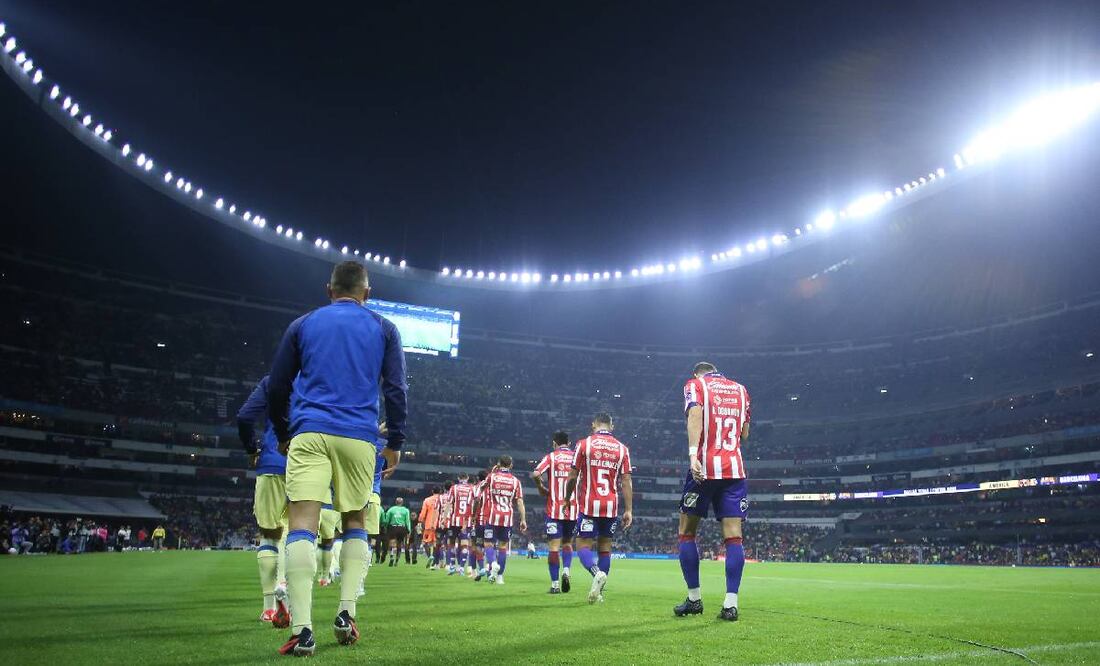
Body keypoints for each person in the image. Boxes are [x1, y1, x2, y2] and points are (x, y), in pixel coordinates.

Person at [266, 260, 407, 657]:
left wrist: (282, 433)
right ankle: (346, 613)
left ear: (329, 290)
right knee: (355, 520)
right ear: (368, 293)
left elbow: (277, 386)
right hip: (360, 437)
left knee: (302, 525)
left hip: (309, 430)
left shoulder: (303, 324)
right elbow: (396, 389)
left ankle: (302, 630)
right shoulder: (384, 328)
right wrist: (394, 439)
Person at [673, 362, 751, 622]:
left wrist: (693, 454)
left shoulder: (695, 385)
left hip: (704, 468)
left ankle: (694, 599)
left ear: (697, 373)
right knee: (733, 536)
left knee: (686, 531)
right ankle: (731, 604)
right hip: (734, 469)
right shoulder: (741, 390)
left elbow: (695, 413)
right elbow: (744, 433)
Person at [237, 376, 291, 626]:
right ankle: (285, 585)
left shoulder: (272, 381)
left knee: (270, 536)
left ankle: (269, 608)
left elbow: (245, 417)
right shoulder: (319, 377)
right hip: (308, 464)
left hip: (271, 461)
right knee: (298, 534)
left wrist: (251, 450)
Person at [565, 413, 633, 604]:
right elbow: (626, 480)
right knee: (605, 548)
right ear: (612, 426)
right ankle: (600, 592)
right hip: (610, 506)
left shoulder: (583, 444)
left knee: (583, 546)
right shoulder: (622, 449)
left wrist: (567, 498)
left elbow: (572, 476)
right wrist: (628, 509)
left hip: (589, 505)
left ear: (593, 424)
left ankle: (596, 573)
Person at [531, 431, 579, 594]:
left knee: (553, 547)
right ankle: (566, 570)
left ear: (554, 443)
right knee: (567, 544)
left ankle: (555, 585)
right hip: (572, 509)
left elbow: (536, 473)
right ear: (569, 443)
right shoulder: (576, 457)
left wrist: (540, 487)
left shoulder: (551, 457)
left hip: (554, 510)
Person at [477, 456, 527, 585]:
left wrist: (492, 473)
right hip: (507, 518)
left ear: (499, 464)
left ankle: (493, 563)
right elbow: (520, 501)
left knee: (488, 544)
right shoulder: (516, 481)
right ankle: (500, 577)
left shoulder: (491, 477)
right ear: (511, 465)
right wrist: (523, 520)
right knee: (503, 547)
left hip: (493, 517)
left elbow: (480, 489)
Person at [447, 474, 476, 575]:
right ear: (467, 479)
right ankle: (461, 568)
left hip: (454, 521)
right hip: (466, 521)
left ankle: (451, 566)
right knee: (464, 545)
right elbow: (474, 504)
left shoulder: (453, 488)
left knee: (451, 544)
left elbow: (449, 503)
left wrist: (444, 518)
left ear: (458, 478)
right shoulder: (472, 489)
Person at [417, 487, 441, 570]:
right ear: (440, 491)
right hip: (439, 524)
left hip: (429, 524)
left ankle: (430, 556)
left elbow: (423, 513)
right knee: (437, 543)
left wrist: (420, 520)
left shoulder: (427, 500)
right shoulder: (443, 499)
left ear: (432, 491)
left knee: (425, 542)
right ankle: (435, 561)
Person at [383, 498, 412, 566]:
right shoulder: (406, 510)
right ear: (402, 503)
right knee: (399, 544)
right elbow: (407, 521)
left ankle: (392, 556)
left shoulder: (391, 509)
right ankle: (397, 560)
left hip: (393, 527)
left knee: (392, 543)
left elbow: (386, 520)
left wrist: (385, 527)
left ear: (395, 502)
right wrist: (409, 530)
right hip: (402, 528)